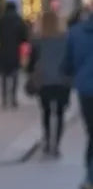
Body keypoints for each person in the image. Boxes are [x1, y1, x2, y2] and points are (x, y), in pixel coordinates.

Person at [27, 9, 71, 158]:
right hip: (62, 80)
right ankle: (56, 144)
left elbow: (31, 63)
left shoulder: (38, 41)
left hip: (44, 81)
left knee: (46, 112)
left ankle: (46, 141)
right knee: (59, 113)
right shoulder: (65, 39)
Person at [62, 7, 93, 189]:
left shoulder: (76, 32)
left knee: (92, 132)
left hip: (85, 90)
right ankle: (90, 178)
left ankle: (89, 175)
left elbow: (67, 64)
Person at [0, 0, 29, 108]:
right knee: (14, 75)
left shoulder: (1, 20)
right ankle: (13, 98)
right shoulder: (19, 20)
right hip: (15, 51)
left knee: (4, 76)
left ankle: (4, 98)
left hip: (3, 50)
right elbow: (24, 37)